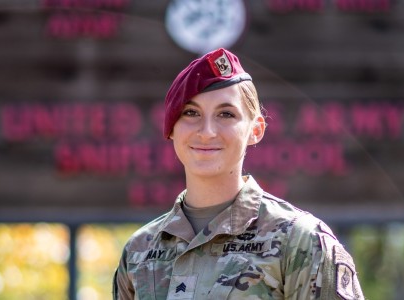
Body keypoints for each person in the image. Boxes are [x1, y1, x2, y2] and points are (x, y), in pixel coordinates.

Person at [113, 48, 364, 299]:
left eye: (226, 114)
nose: (207, 131)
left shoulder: (301, 242)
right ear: (171, 128)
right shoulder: (140, 251)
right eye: (191, 113)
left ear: (255, 130)